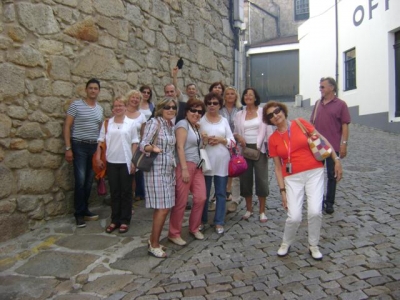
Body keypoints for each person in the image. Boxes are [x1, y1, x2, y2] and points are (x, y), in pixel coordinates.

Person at [264, 101, 343, 260]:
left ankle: (313, 245)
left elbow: (322, 139)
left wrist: (336, 160)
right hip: (292, 179)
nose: (275, 116)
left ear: (283, 111)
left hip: (314, 172)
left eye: (277, 111)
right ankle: (286, 242)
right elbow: (278, 168)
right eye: (271, 115)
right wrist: (282, 192)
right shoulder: (273, 139)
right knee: (294, 216)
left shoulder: (300, 123)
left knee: (314, 211)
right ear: (269, 121)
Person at [63, 78, 104, 228]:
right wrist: (68, 148)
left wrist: (99, 151)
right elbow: (67, 126)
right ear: (86, 90)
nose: (93, 90)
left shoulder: (100, 109)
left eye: (96, 88)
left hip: (93, 147)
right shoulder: (76, 105)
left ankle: (85, 209)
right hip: (79, 145)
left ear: (99, 91)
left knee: (88, 181)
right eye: (91, 88)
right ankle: (79, 214)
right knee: (80, 180)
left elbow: (101, 131)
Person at [95, 97, 138, 234]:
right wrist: (97, 157)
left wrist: (134, 162)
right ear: (113, 109)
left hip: (126, 161)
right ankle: (115, 220)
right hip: (111, 161)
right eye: (116, 106)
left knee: (126, 192)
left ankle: (125, 220)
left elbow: (135, 143)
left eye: (121, 105)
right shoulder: (108, 123)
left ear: (126, 107)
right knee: (114, 192)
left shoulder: (131, 123)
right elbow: (101, 140)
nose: (118, 108)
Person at [141, 97, 177, 258]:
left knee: (165, 207)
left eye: (173, 107)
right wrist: (152, 148)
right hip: (155, 170)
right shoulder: (154, 123)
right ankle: (153, 245)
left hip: (168, 170)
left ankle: (153, 240)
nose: (171, 110)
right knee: (162, 208)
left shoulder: (170, 125)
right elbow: (143, 144)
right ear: (161, 109)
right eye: (167, 107)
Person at [168, 99, 207, 245]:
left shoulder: (195, 127)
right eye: (193, 110)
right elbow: (179, 147)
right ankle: (174, 233)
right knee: (181, 201)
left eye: (199, 112)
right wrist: (183, 169)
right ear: (187, 111)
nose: (196, 114)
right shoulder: (182, 124)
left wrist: (204, 140)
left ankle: (194, 227)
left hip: (197, 166)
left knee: (201, 197)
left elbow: (197, 147)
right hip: (185, 166)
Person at [311, 77, 351, 214]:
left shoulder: (341, 104)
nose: (320, 89)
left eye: (322, 87)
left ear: (331, 88)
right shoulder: (317, 104)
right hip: (317, 146)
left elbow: (345, 126)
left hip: (333, 146)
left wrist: (344, 144)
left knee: (332, 175)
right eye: (320, 86)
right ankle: (319, 200)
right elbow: (312, 125)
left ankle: (329, 202)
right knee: (316, 175)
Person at [234, 88, 273, 222]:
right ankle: (249, 209)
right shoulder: (239, 114)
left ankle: (262, 211)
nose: (248, 96)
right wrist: (239, 137)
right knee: (245, 180)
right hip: (244, 149)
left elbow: (268, 130)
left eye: (251, 95)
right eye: (246, 94)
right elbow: (235, 132)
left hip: (260, 149)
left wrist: (270, 148)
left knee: (262, 179)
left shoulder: (262, 112)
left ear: (256, 97)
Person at [199, 92, 235, 234]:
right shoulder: (201, 121)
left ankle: (219, 221)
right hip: (206, 161)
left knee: (221, 193)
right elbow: (195, 140)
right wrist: (205, 140)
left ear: (220, 105)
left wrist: (221, 140)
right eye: (209, 103)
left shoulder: (224, 121)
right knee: (204, 194)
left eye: (215, 103)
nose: (212, 105)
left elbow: (232, 141)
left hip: (222, 161)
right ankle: (202, 220)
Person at [219, 87, 242, 213]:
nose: (230, 96)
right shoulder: (220, 110)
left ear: (236, 96)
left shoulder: (239, 110)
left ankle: (235, 200)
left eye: (232, 93)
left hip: (235, 145)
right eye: (227, 94)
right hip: (221, 144)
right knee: (221, 171)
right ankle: (219, 197)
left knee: (235, 171)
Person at [125, 90, 147, 202]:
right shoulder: (121, 113)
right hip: (122, 147)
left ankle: (130, 199)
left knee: (132, 174)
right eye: (132, 97)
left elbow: (143, 135)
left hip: (135, 148)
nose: (134, 99)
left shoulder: (142, 116)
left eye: (137, 98)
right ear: (128, 98)